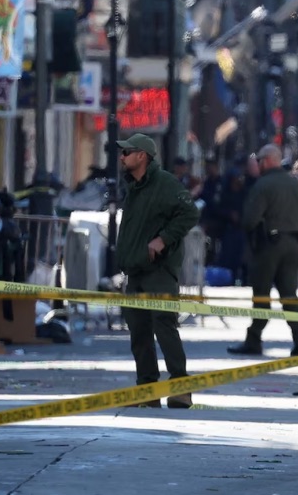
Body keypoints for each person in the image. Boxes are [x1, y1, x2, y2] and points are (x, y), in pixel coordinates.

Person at [115, 133, 199, 408]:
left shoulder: (165, 183)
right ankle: (147, 389)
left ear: (142, 156)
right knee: (138, 330)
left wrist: (162, 239)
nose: (122, 157)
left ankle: (181, 388)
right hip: (136, 270)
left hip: (158, 270)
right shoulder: (134, 187)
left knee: (164, 326)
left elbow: (189, 214)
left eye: (127, 152)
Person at [227, 145, 298, 357]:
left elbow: (249, 220)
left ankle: (253, 340)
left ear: (265, 161)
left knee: (262, 295)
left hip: (268, 246)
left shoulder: (263, 185)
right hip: (292, 244)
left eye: (259, 161)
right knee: (290, 296)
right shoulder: (295, 184)